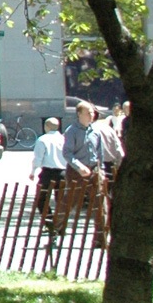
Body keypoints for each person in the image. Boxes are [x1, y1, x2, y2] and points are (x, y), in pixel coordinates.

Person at [60, 103, 113, 248]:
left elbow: (100, 153)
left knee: (100, 205)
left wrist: (101, 170)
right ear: (79, 114)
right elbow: (67, 153)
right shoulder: (72, 131)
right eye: (88, 112)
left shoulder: (95, 131)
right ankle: (57, 231)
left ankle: (100, 240)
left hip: (94, 171)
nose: (92, 115)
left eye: (92, 112)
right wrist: (79, 166)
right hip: (77, 172)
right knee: (70, 202)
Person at [32, 115, 68, 229]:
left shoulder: (42, 139)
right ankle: (61, 225)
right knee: (61, 201)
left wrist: (33, 171)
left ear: (46, 126)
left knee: (41, 199)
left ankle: (50, 222)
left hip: (48, 173)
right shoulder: (64, 139)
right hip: (63, 173)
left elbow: (38, 158)